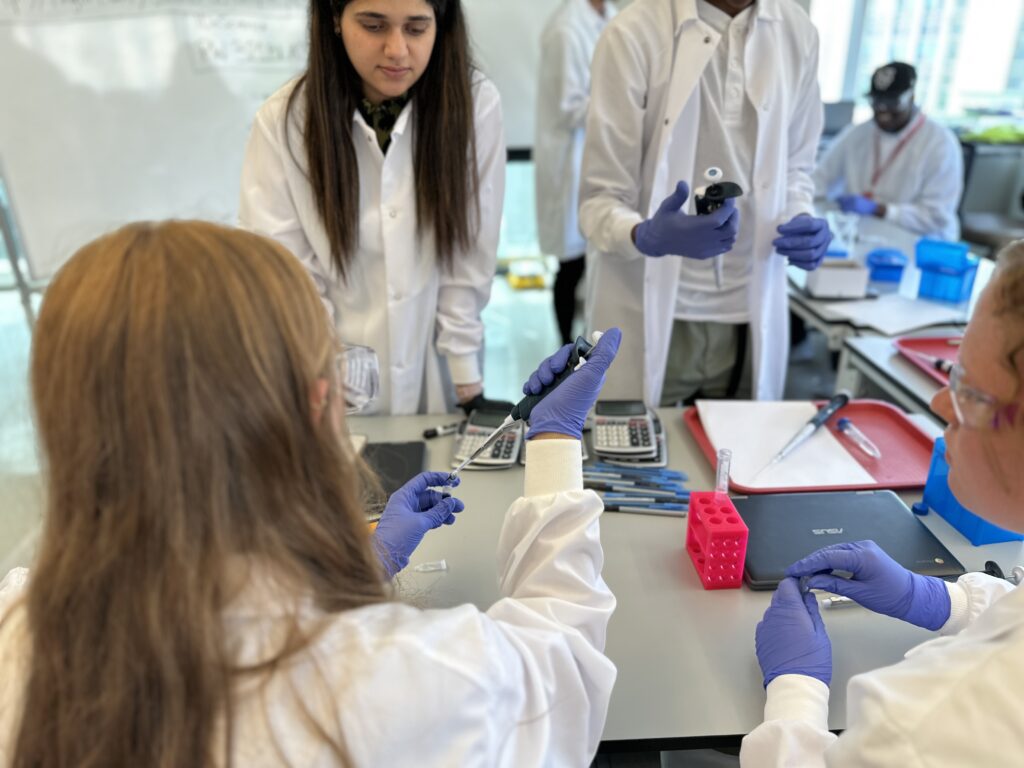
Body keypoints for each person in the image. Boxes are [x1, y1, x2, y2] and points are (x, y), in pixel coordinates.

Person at [0, 220, 623, 766]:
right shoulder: (406, 680)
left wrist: (362, 564)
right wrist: (555, 439)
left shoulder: (23, 634)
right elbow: (563, 670)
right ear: (317, 405)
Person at [742, 241, 1024, 766]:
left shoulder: (922, 725)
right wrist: (944, 602)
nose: (940, 402)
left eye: (967, 388)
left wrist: (795, 692)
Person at [240, 0, 506, 416]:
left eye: (416, 29)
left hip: (437, 384)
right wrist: (330, 377)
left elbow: (468, 252)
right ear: (333, 19)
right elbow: (289, 276)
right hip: (326, 387)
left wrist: (467, 383)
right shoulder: (284, 120)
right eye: (374, 26)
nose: (397, 50)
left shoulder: (474, 105)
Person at [579, 0, 831, 407]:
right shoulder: (634, 33)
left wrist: (801, 214)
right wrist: (643, 234)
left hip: (748, 316)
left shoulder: (798, 33)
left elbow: (796, 168)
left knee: (739, 463)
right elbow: (598, 199)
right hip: (655, 311)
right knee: (633, 459)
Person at [535, 0, 615, 344]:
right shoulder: (566, 30)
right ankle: (565, 344)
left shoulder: (613, 18)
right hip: (572, 160)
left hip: (599, 157)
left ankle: (591, 340)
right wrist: (622, 103)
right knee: (571, 264)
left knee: (598, 258)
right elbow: (568, 107)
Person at [814, 61, 964, 242]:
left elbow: (936, 215)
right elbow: (819, 178)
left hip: (921, 245)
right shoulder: (857, 134)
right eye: (877, 102)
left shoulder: (940, 142)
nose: (883, 111)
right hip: (867, 236)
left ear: (912, 97)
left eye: (893, 102)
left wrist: (880, 209)